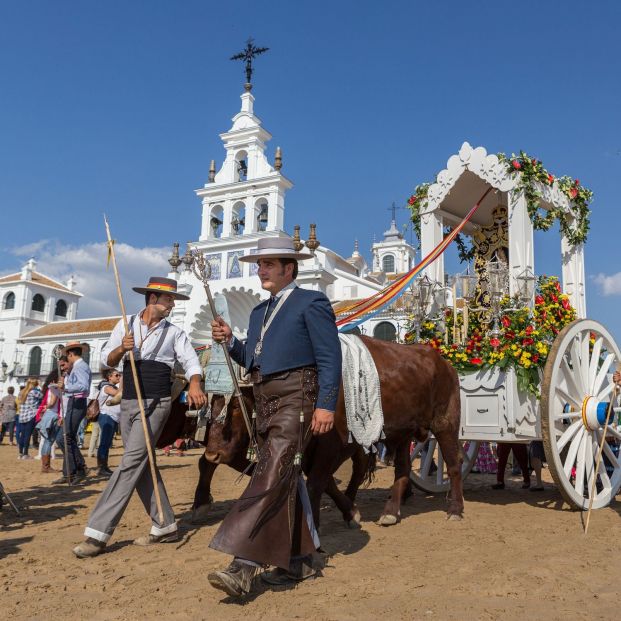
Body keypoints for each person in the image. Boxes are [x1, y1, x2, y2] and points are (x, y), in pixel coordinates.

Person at [208, 237, 341, 598]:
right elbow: (253, 358)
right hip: (265, 401)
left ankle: (242, 567)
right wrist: (231, 342)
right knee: (285, 478)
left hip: (299, 398)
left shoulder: (311, 302)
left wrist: (326, 404)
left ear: (289, 268)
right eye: (259, 264)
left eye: (268, 264)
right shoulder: (256, 312)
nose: (260, 270)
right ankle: (297, 561)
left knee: (269, 475)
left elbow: (330, 358)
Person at [72, 276, 206, 558]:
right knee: (143, 464)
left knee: (131, 461)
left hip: (156, 402)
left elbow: (191, 360)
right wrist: (123, 348)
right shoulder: (126, 323)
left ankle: (98, 533)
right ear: (153, 299)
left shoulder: (174, 333)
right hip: (129, 401)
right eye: (169, 299)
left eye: (173, 300)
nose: (172, 304)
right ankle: (166, 525)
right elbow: (107, 360)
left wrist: (194, 383)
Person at [53, 342, 93, 484]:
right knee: (66, 438)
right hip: (74, 403)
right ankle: (70, 471)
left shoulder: (80, 367)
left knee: (64, 438)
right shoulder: (77, 367)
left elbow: (83, 386)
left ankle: (80, 468)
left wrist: (66, 386)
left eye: (67, 356)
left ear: (70, 354)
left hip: (77, 403)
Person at [95, 369, 122, 477]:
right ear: (109, 377)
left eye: (119, 375)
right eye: (116, 375)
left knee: (107, 443)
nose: (118, 376)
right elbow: (119, 394)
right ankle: (101, 467)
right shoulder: (107, 387)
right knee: (104, 442)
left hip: (113, 418)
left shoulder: (114, 387)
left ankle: (104, 466)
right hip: (107, 416)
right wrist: (122, 383)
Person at [37, 369, 63, 474]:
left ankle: (45, 465)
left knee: (47, 441)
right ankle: (46, 466)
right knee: (49, 440)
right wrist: (47, 407)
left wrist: (45, 408)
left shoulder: (49, 388)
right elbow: (52, 402)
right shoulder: (54, 387)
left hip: (49, 414)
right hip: (53, 414)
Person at [16, 378, 43, 459]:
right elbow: (43, 395)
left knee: (22, 435)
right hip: (31, 415)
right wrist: (41, 385)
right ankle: (25, 454)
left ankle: (20, 453)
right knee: (28, 435)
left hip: (22, 416)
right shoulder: (34, 392)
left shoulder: (22, 392)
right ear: (35, 384)